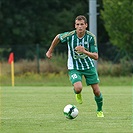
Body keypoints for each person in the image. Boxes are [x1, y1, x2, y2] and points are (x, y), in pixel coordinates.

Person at [46, 15, 104, 117]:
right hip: (74, 67)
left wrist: (84, 51)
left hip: (88, 67)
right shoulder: (70, 36)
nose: (80, 27)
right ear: (75, 26)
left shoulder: (91, 37)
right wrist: (50, 50)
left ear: (86, 25)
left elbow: (96, 56)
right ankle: (78, 93)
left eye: (82, 24)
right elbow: (58, 37)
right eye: (77, 24)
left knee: (97, 91)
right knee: (78, 88)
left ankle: (99, 110)